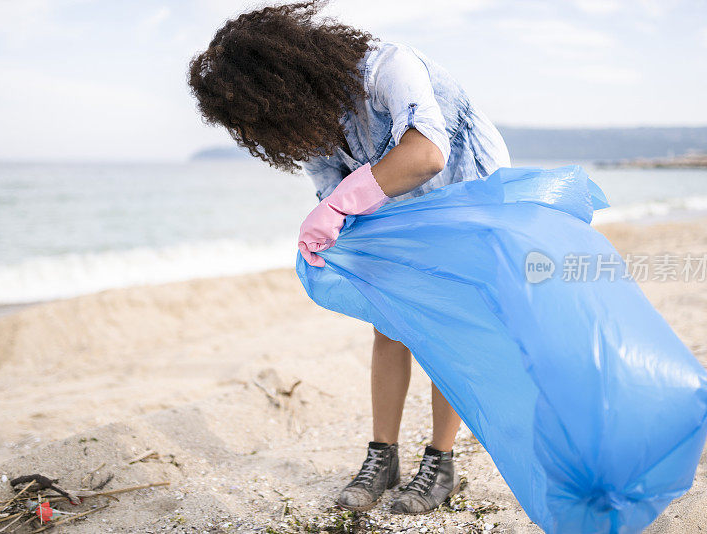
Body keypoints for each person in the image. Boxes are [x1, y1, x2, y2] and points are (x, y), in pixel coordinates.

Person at [187, 1, 510, 514]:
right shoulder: (306, 118)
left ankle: (440, 461)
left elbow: (427, 154)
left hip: (465, 195)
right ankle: (383, 457)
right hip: (395, 208)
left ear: (285, 74)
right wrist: (332, 224)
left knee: (450, 330)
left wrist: (342, 203)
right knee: (389, 326)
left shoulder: (389, 67)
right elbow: (331, 187)